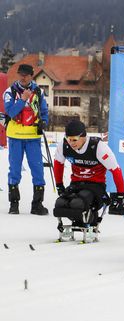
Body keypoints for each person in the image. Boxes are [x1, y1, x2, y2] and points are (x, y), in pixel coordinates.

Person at [53, 120, 124, 227]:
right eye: (68, 139)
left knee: (78, 203)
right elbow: (58, 164)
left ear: (84, 136)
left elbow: (115, 170)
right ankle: (76, 221)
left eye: (74, 139)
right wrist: (59, 185)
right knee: (60, 203)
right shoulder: (64, 145)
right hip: (76, 184)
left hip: (95, 185)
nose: (71, 143)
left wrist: (121, 194)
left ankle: (89, 219)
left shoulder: (98, 147)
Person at [2, 64, 49, 215]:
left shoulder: (38, 91)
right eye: (20, 74)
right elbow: (10, 111)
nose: (23, 77)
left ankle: (37, 204)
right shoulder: (10, 92)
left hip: (33, 137)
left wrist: (44, 122)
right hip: (15, 136)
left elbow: (44, 111)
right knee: (15, 170)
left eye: (26, 75)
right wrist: (22, 100)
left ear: (31, 76)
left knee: (38, 170)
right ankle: (13, 204)